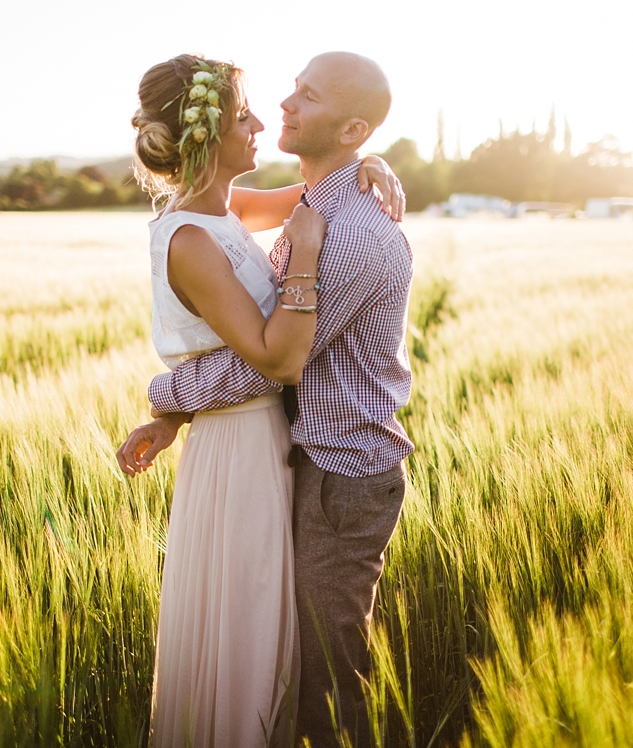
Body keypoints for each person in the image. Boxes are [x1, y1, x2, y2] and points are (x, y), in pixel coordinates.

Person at [119, 52, 413, 748]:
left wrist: (368, 162)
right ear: (206, 133)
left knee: (300, 656)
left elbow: (279, 352)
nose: (268, 114)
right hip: (251, 451)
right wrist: (172, 408)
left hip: (308, 459)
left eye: (301, 96)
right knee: (260, 636)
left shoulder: (263, 216)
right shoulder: (199, 230)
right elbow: (273, 356)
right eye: (245, 111)